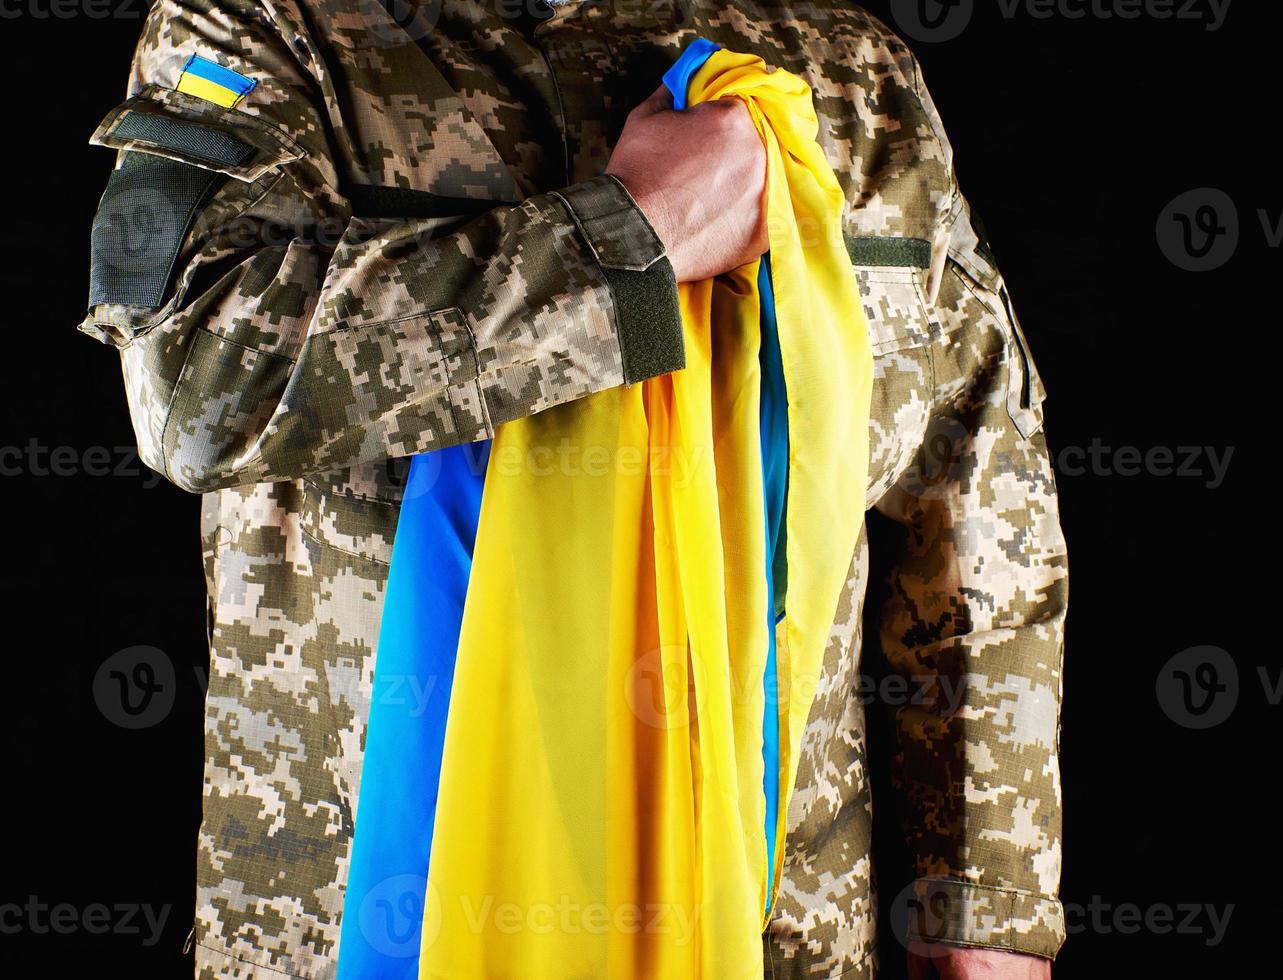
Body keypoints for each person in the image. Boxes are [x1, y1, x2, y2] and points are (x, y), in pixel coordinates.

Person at [77, 1, 1068, 977]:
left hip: (772, 927)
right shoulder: (272, 34)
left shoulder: (852, 73)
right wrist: (631, 238)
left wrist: (982, 900)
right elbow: (202, 385)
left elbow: (973, 489)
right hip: (373, 921)